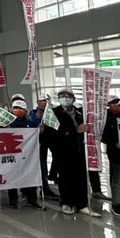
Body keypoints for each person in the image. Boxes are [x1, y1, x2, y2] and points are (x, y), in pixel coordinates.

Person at [43, 89, 101, 217]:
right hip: (63, 152)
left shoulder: (81, 113)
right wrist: (75, 130)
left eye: (68, 96)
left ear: (73, 99)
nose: (65, 98)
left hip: (80, 151)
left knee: (81, 178)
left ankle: (82, 204)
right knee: (65, 178)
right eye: (62, 96)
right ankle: (66, 203)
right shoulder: (53, 113)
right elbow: (51, 133)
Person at [7, 100, 42, 209]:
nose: (18, 111)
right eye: (16, 108)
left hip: (27, 156)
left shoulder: (30, 123)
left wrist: (39, 129)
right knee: (12, 177)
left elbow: (36, 136)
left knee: (30, 175)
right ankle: (13, 200)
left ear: (25, 111)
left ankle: (32, 199)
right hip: (12, 155)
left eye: (21, 109)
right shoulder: (7, 123)